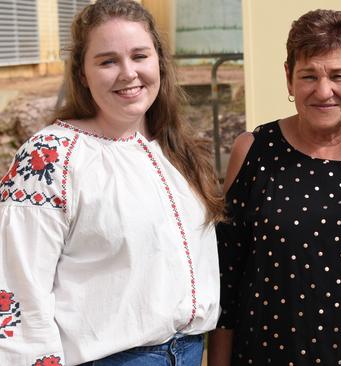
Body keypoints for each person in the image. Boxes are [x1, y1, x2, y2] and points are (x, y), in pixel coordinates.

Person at [0, 0, 223, 364]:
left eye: (139, 56)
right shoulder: (50, 157)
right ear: (83, 74)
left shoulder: (174, 146)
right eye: (107, 61)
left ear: (159, 63)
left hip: (188, 352)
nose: (128, 73)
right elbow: (17, 292)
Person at [207, 9, 341, 366]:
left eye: (338, 75)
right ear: (288, 78)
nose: (324, 91)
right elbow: (227, 279)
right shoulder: (254, 150)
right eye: (308, 76)